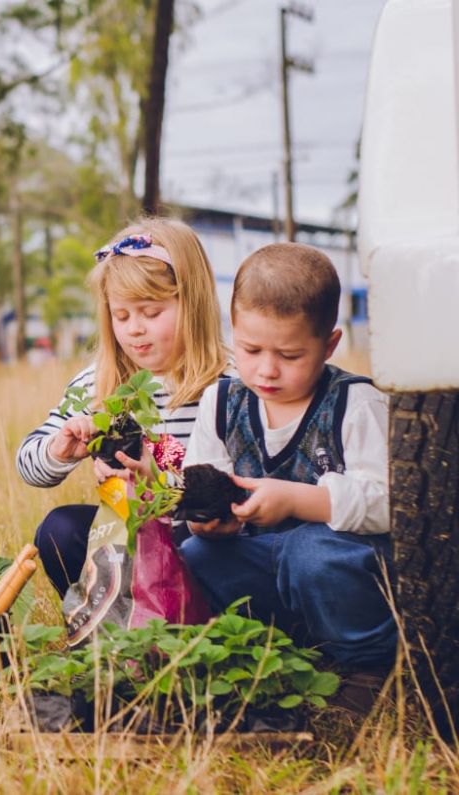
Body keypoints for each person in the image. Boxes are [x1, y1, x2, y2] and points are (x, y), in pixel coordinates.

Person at [180, 243, 395, 699]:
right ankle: (269, 651)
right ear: (232, 331)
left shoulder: (355, 404)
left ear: (329, 343)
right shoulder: (221, 404)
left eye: (291, 355)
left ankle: (364, 665)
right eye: (250, 349)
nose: (266, 369)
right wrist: (213, 522)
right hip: (259, 560)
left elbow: (389, 503)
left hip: (338, 568)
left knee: (311, 554)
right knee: (196, 555)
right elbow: (202, 476)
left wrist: (297, 501)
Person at [16, 218, 230, 594]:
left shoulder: (232, 385)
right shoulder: (98, 384)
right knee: (59, 531)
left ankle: (202, 626)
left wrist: (170, 484)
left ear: (192, 304)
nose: (134, 329)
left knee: (212, 551)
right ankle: (107, 620)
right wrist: (60, 450)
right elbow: (29, 466)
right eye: (121, 315)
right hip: (129, 537)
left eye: (151, 313)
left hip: (205, 541)